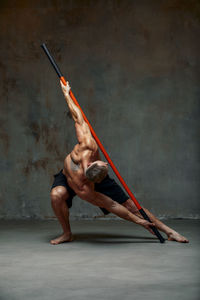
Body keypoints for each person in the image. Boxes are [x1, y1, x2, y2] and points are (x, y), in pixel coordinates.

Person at [50, 80, 189, 245]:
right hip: (69, 179)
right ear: (89, 171)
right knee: (56, 195)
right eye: (104, 166)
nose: (105, 164)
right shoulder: (84, 188)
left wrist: (67, 94)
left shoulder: (88, 144)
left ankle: (169, 231)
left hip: (86, 177)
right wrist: (138, 222)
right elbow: (111, 205)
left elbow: (78, 117)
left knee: (131, 205)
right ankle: (67, 234)